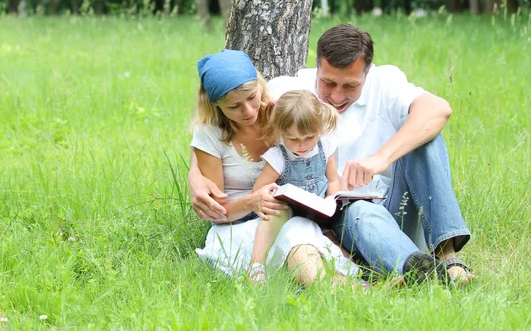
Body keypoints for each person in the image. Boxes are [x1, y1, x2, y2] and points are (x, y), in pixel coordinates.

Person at [190, 24, 474, 284]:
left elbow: (439, 109)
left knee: (427, 139)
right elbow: (220, 132)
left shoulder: (386, 83)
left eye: (350, 86)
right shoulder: (288, 91)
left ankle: (448, 257)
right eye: (328, 84)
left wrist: (381, 158)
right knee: (359, 210)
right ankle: (418, 271)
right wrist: (195, 174)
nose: (337, 97)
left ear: (368, 72)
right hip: (341, 218)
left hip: (393, 207)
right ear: (316, 69)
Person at [190, 49, 359, 286]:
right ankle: (350, 290)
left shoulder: (279, 111)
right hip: (240, 226)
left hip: (290, 216)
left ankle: (353, 287)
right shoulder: (210, 135)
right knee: (294, 232)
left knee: (300, 230)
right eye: (234, 107)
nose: (248, 111)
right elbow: (217, 212)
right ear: (216, 105)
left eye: (251, 97)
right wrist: (251, 201)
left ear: (259, 85)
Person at [247, 90, 345, 283]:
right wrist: (269, 197)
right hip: (288, 211)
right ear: (281, 132)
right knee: (274, 216)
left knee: (336, 238)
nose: (302, 145)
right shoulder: (278, 156)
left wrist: (330, 199)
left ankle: (351, 273)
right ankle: (256, 266)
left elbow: (333, 180)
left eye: (309, 137)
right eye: (293, 139)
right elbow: (258, 190)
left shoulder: (325, 148)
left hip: (318, 211)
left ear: (319, 129)